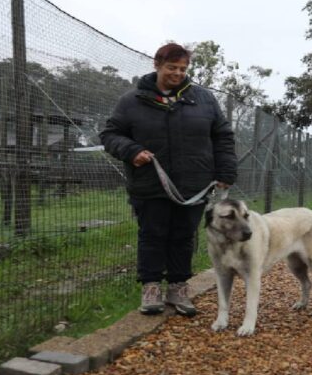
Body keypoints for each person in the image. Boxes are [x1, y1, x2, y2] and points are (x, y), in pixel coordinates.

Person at [100, 43, 237, 315]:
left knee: (184, 236)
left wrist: (225, 172)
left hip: (194, 184)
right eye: (172, 67)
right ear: (157, 65)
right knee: (152, 234)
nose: (177, 73)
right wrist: (132, 150)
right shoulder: (132, 100)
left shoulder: (203, 99)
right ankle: (151, 288)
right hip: (150, 183)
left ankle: (178, 287)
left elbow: (222, 136)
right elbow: (110, 134)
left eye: (183, 69)